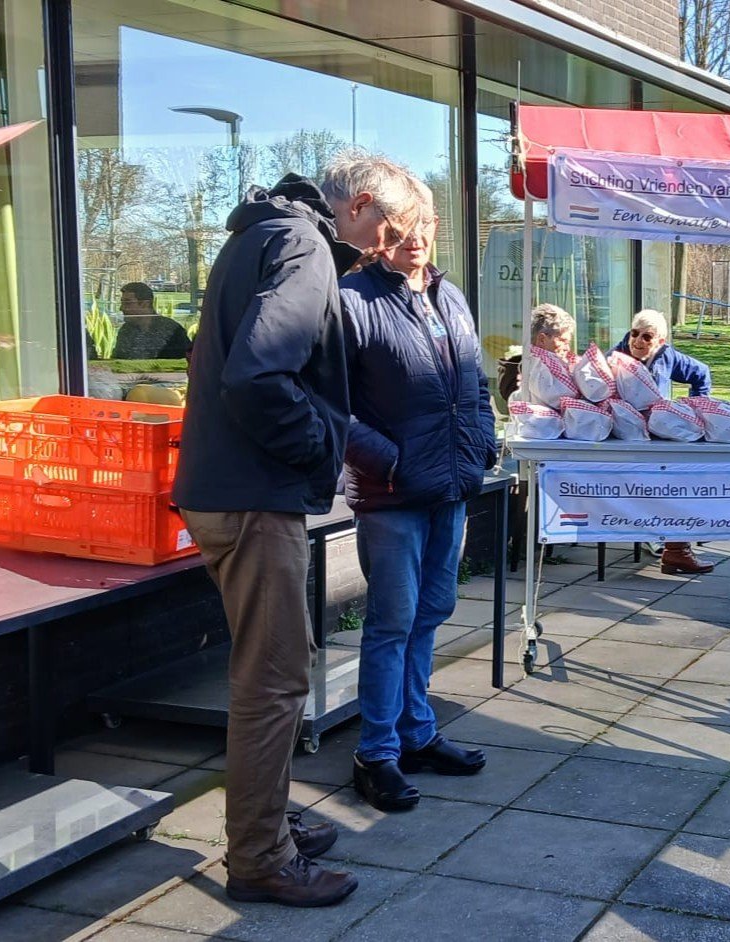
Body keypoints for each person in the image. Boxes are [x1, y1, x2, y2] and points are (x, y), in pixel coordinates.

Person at [171, 157, 423, 908]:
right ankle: (259, 856)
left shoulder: (262, 236)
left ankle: (269, 820)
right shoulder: (306, 246)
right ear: (363, 204)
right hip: (253, 497)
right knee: (276, 676)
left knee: (271, 669)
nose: (385, 245)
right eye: (387, 229)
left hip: (230, 490)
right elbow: (255, 374)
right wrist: (320, 443)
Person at [340, 184, 496, 813]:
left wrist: (483, 443)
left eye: (426, 224)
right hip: (395, 497)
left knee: (432, 611)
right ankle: (375, 753)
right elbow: (333, 406)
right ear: (381, 232)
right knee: (391, 623)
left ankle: (416, 732)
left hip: (452, 488)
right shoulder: (351, 302)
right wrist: (392, 462)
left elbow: (477, 384)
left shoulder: (449, 294)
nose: (416, 238)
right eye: (403, 227)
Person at [611, 308, 716, 576]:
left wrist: (697, 406)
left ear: (660, 342)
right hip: (624, 437)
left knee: (681, 481)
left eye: (647, 337)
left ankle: (675, 550)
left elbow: (701, 373)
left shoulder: (666, 356)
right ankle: (663, 540)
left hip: (659, 434)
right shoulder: (614, 357)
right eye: (634, 334)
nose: (638, 341)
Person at [496, 302, 576, 403]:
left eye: (568, 343)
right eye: (563, 341)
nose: (567, 348)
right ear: (542, 339)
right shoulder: (522, 371)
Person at [111, 282, 192, 360]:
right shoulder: (126, 330)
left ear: (145, 304)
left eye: (127, 303)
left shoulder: (172, 330)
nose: (121, 308)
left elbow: (186, 363)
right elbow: (117, 362)